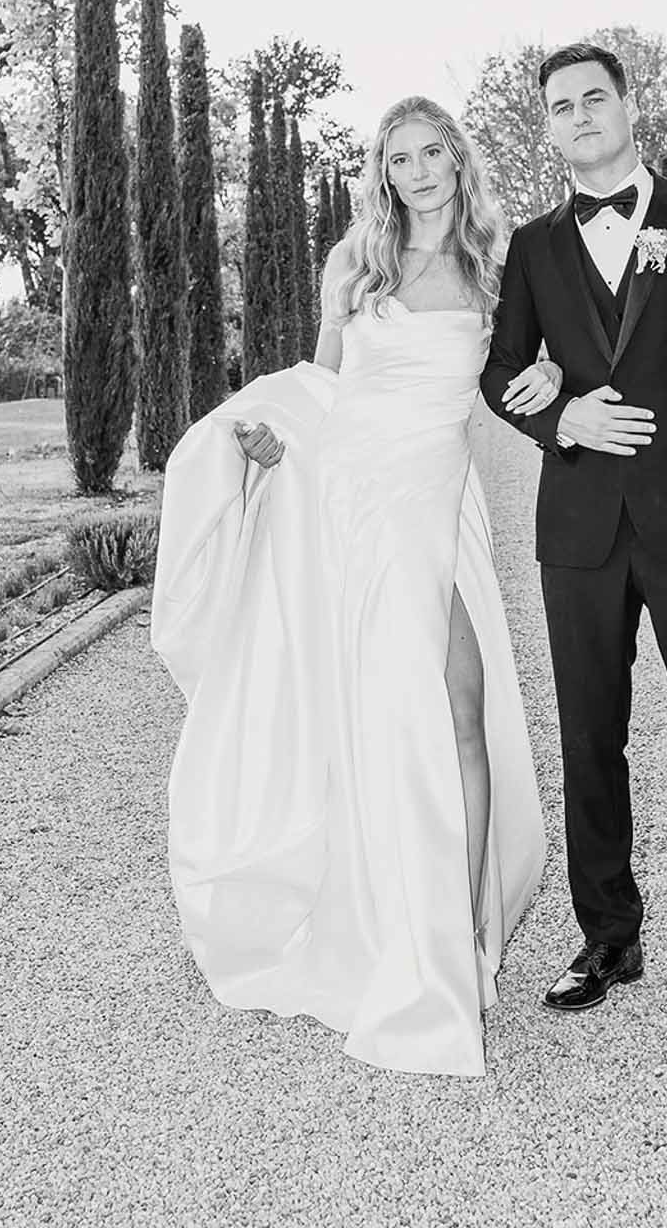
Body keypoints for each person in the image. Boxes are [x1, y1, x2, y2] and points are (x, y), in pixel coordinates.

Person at [151, 96, 548, 1078]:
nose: (416, 171)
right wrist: (267, 442)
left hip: (440, 496)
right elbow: (321, 387)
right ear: (384, 171)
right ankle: (414, 940)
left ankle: (463, 935)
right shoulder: (355, 263)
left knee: (463, 710)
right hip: (357, 498)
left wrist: (551, 378)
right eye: (397, 157)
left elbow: (533, 366)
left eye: (430, 152)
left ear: (457, 159)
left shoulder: (501, 266)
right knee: (399, 715)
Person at [480, 42, 667, 1031]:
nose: (578, 115)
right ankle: (609, 934)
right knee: (588, 738)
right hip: (579, 528)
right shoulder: (533, 246)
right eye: (560, 106)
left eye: (593, 98)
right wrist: (559, 419)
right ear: (549, 126)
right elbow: (500, 371)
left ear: (626, 104)